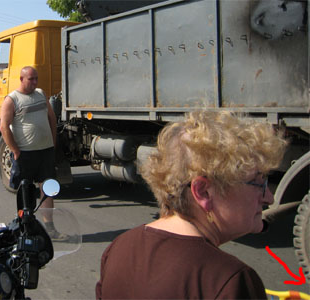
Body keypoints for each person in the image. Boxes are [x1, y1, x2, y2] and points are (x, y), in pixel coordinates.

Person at [96, 110, 288, 299]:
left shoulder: (118, 249)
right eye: (258, 182)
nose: (269, 197)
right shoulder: (231, 281)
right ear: (203, 192)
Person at [0, 66, 64, 240]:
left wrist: (53, 141)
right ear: (21, 79)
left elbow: (51, 117)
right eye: (31, 79)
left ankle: (50, 228)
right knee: (25, 192)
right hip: (26, 154)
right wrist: (15, 151)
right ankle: (25, 228)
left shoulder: (41, 94)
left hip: (45, 152)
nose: (35, 82)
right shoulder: (11, 100)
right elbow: (4, 127)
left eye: (36, 78)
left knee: (48, 190)